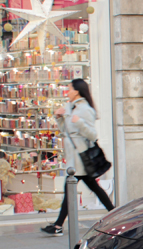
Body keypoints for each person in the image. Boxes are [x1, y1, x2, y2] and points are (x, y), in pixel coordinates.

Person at [41, 78, 114, 235]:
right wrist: (59, 118)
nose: (67, 91)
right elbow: (65, 131)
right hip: (74, 158)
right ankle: (114, 214)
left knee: (72, 189)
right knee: (89, 188)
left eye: (69, 88)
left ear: (77, 91)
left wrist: (79, 121)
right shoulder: (70, 107)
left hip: (81, 158)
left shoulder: (85, 110)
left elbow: (92, 135)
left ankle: (58, 226)